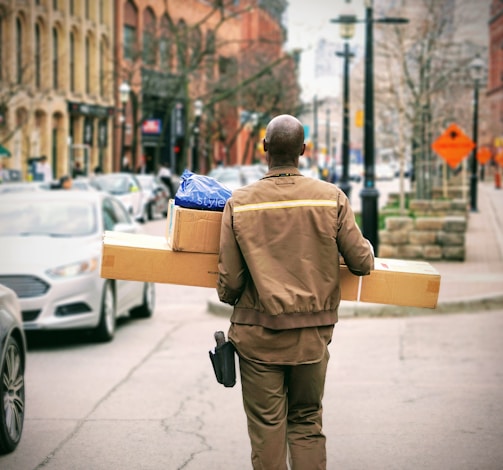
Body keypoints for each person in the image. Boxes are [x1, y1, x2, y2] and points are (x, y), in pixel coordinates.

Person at [217, 114, 374, 469]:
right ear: (303, 150)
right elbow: (362, 262)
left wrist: (232, 296)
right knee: (305, 422)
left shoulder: (239, 203)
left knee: (267, 429)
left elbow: (230, 282)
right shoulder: (330, 198)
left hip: (258, 338)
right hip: (311, 339)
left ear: (264, 149)